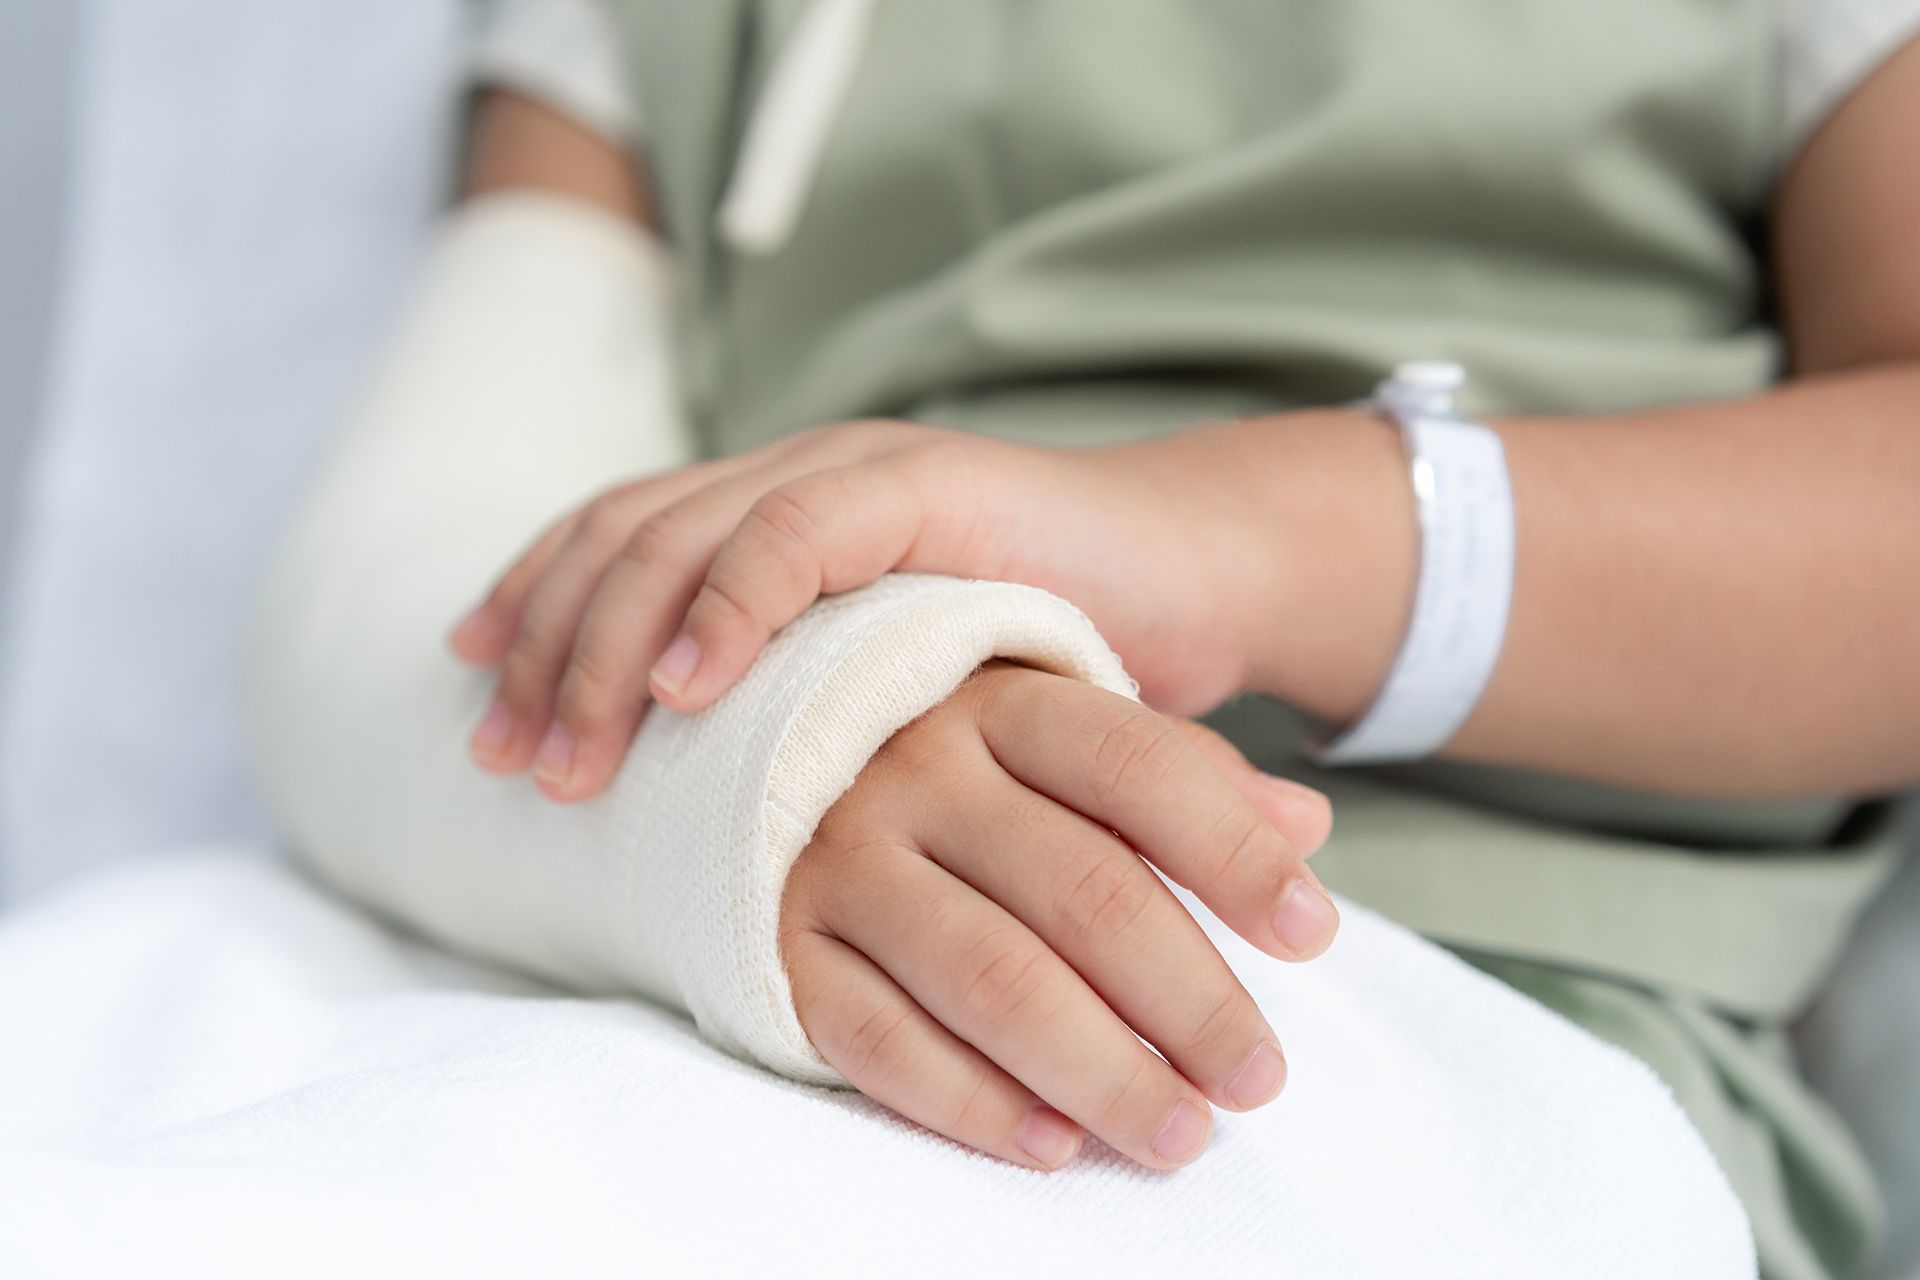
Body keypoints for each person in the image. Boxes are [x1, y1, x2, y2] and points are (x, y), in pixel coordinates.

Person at [253, 3, 1920, 1278]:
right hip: (645, 962)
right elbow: (412, 582)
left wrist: (1239, 541)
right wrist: (795, 744)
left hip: (1454, 1008)